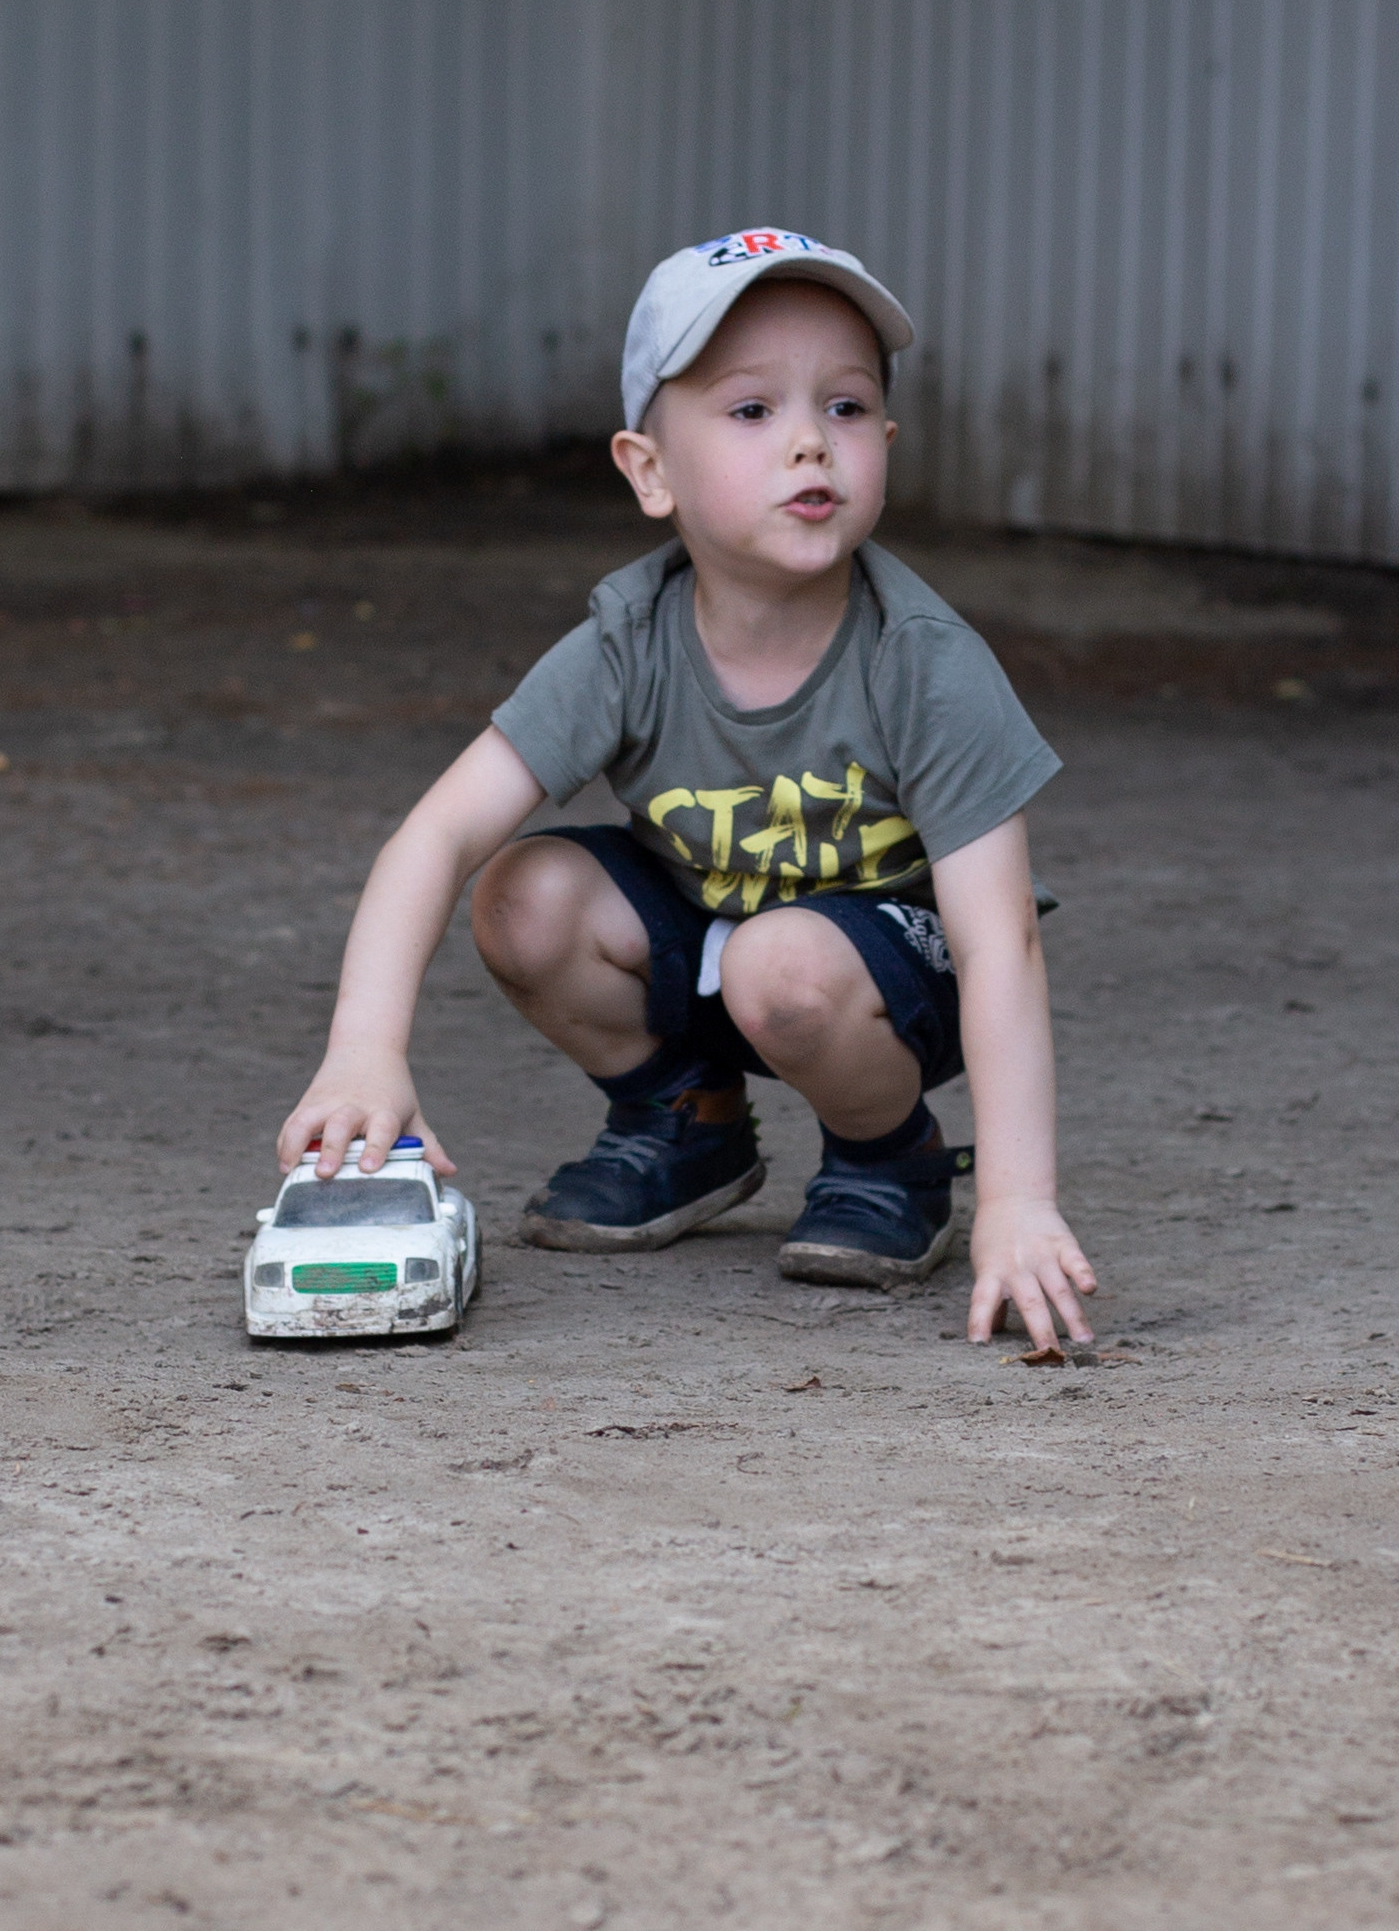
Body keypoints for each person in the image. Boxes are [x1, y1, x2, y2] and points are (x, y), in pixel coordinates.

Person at [276, 229, 1097, 1349]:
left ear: (887, 444)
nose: (811, 438)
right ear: (649, 469)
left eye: (847, 408)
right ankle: (685, 1118)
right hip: (721, 951)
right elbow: (437, 831)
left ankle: (886, 1153)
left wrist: (1018, 1199)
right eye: (752, 410)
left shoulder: (922, 659)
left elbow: (1001, 938)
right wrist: (364, 1047)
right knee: (523, 893)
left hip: (892, 981)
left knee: (786, 964)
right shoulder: (630, 638)